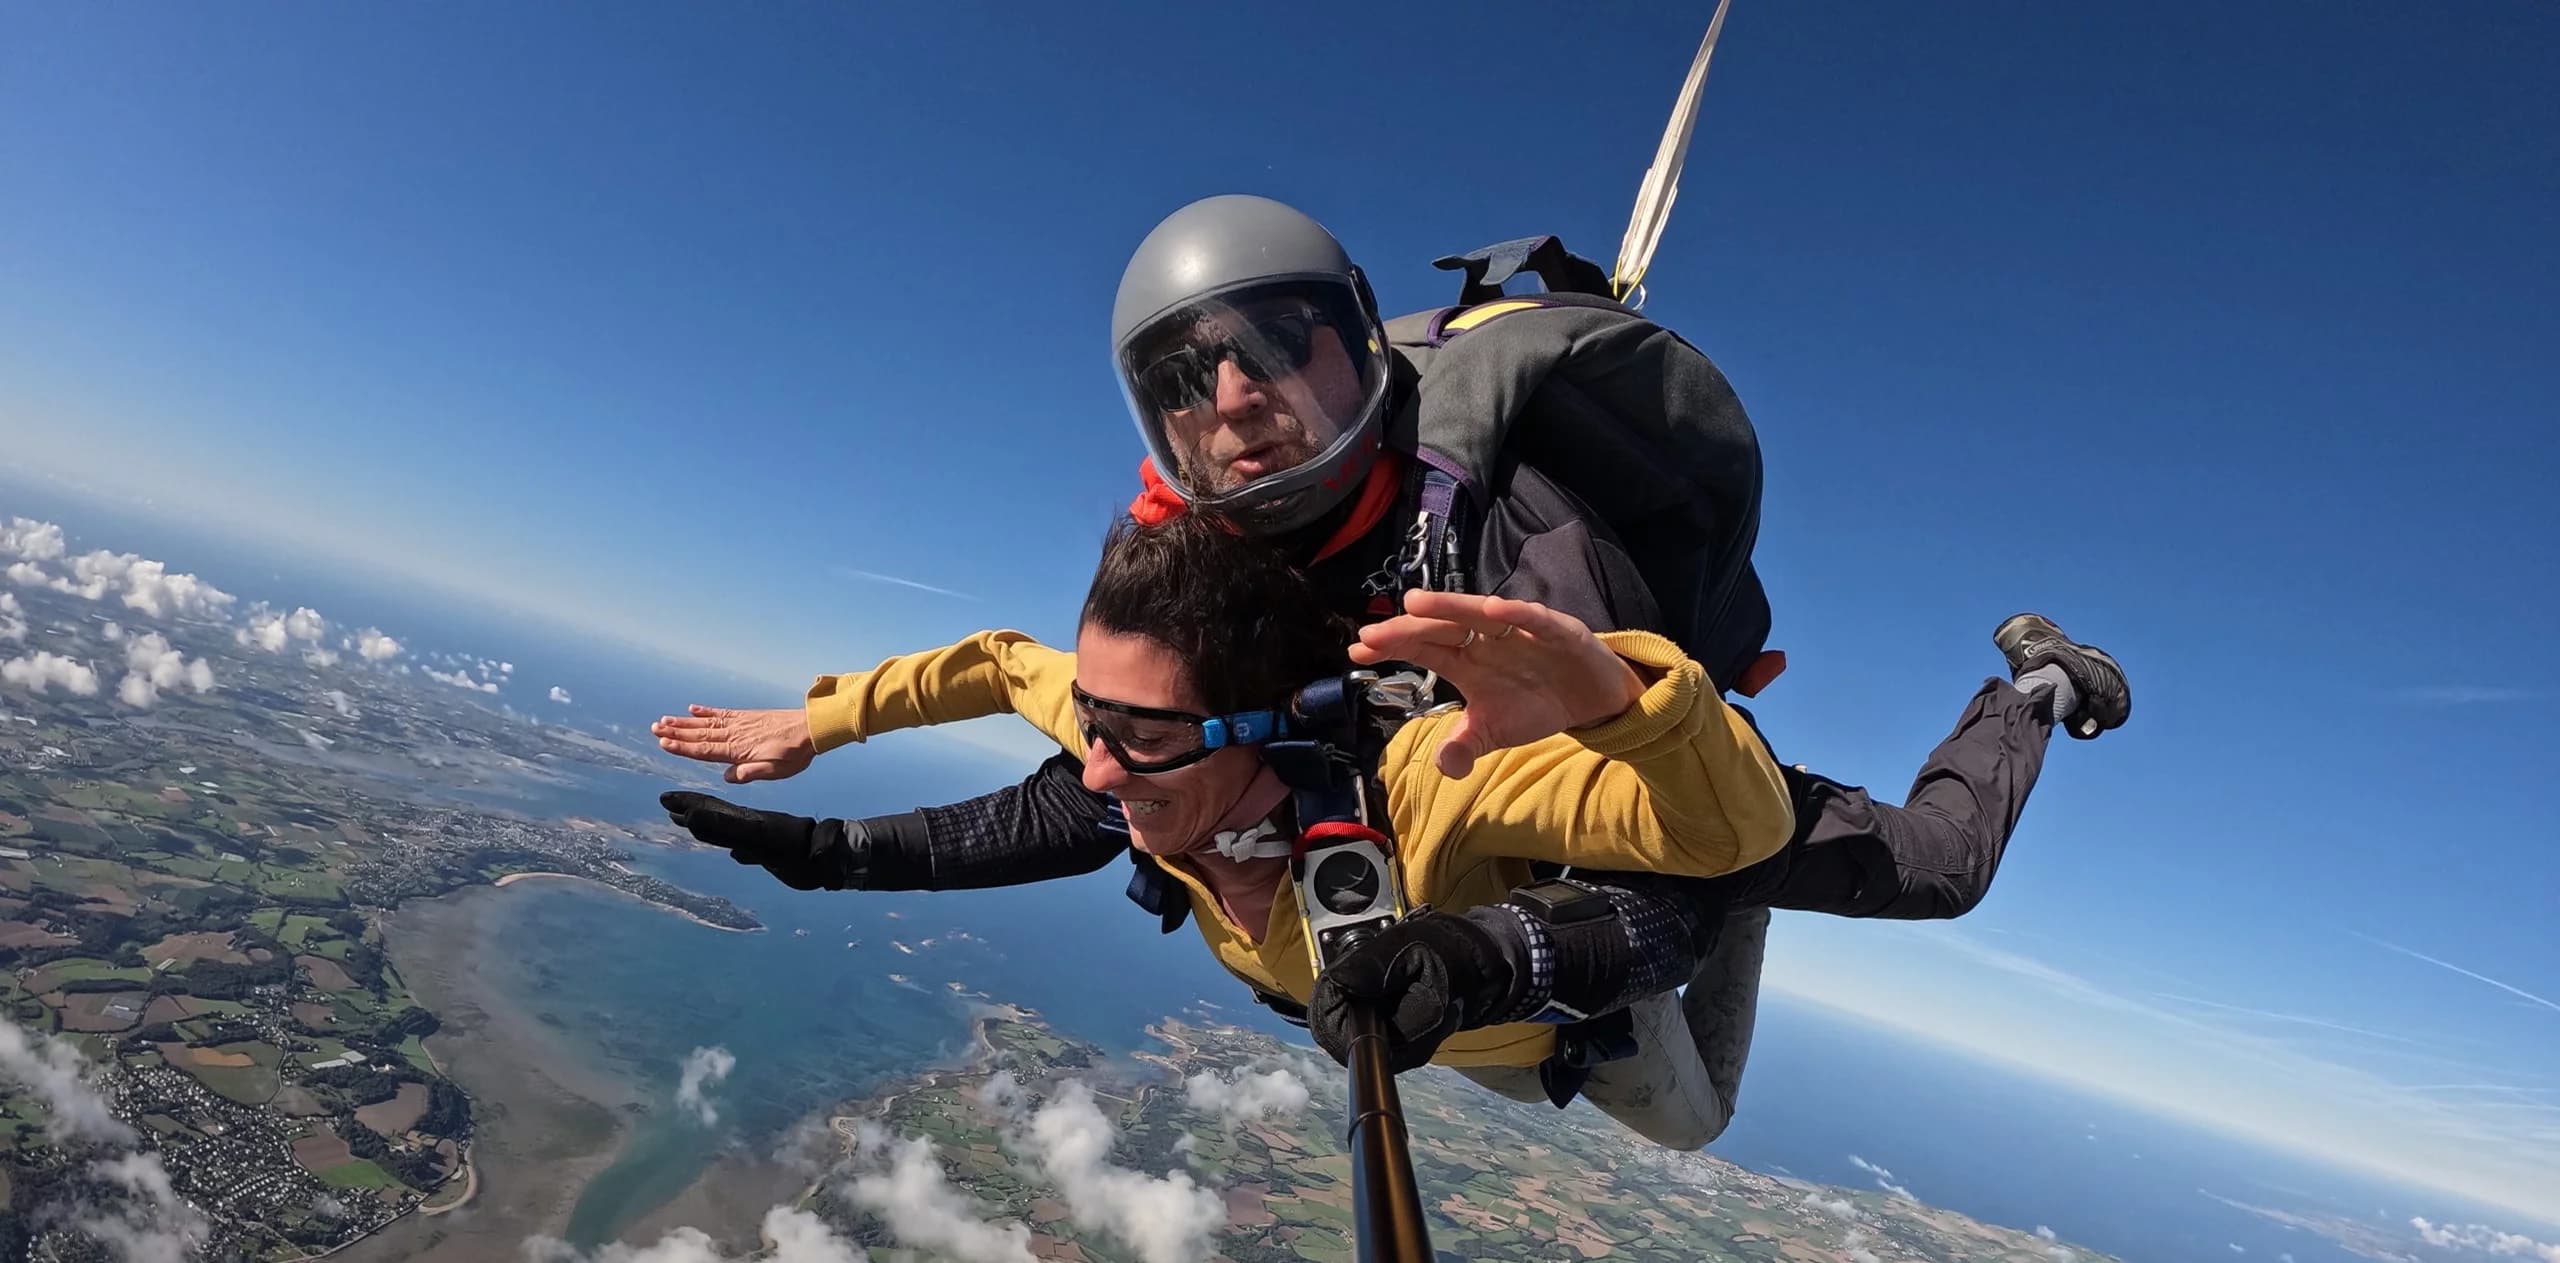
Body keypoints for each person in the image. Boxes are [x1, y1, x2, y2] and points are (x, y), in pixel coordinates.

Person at [653, 194, 2131, 1142]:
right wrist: (831, 782)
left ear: (1362, 350)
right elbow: (1057, 730)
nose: (1237, 408)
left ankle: (2033, 687)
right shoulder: (1188, 625)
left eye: (1277, 353)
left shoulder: (1513, 566)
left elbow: (1678, 875)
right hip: (1470, 862)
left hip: (1614, 779)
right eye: (1188, 385)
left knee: (1924, 874)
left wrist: (1541, 880)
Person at [664, 508, 1799, 1143]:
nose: (1095, 768)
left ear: (1274, 726)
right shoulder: (1139, 720)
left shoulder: (1432, 779)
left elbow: (1730, 832)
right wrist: (821, 723)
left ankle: (1989, 711)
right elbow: (1002, 666)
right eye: (1092, 721)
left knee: (1693, 1116)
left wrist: (1624, 706)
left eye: (1140, 737)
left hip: (1561, 1021)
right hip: (1423, 1040)